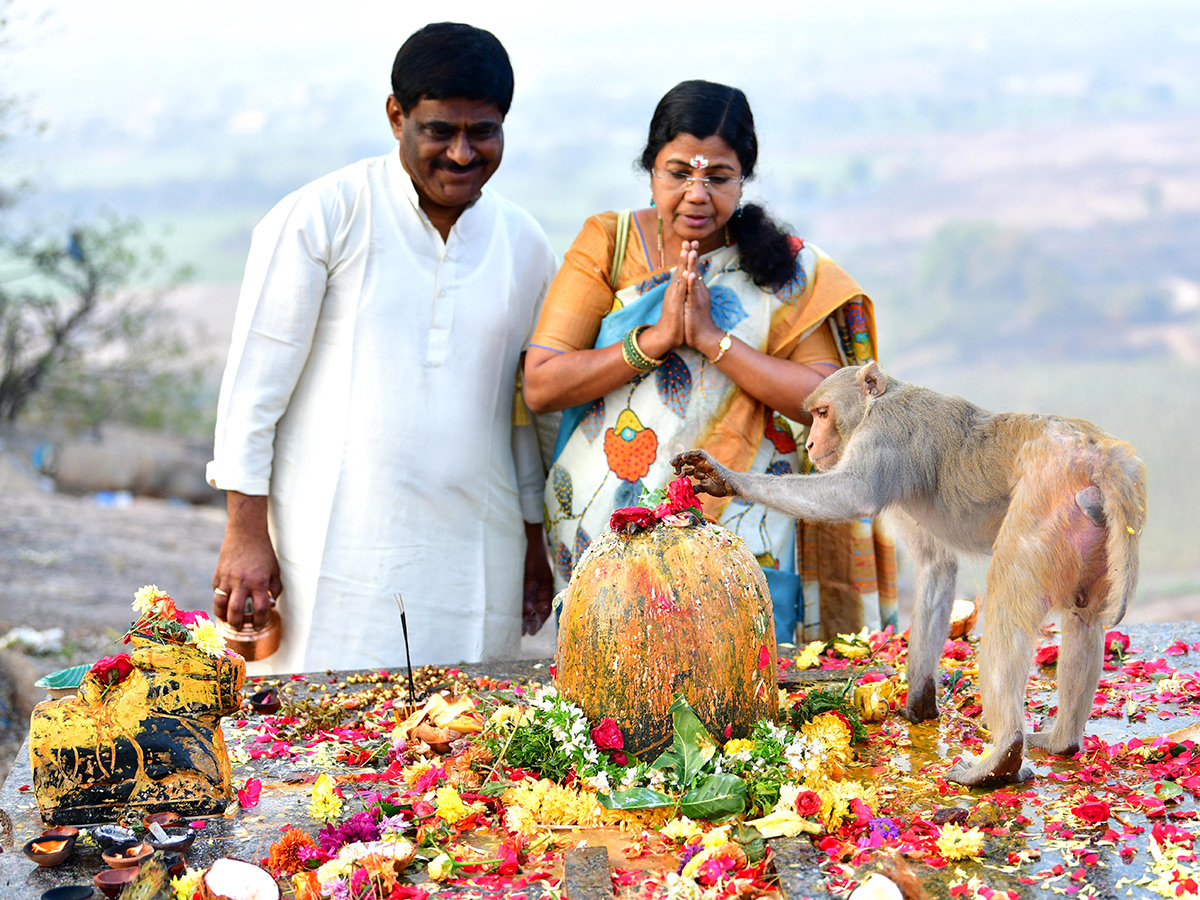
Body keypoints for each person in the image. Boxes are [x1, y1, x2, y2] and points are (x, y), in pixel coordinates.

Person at [207, 23, 556, 674]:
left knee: (463, 752)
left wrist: (537, 545)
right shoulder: (321, 217)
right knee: (317, 749)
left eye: (482, 131)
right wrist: (244, 533)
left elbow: (528, 416)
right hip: (331, 558)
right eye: (438, 130)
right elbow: (254, 389)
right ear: (396, 116)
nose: (460, 153)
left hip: (476, 557)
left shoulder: (526, 245)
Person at [523, 80, 895, 644]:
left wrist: (713, 339)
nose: (696, 195)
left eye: (717, 177)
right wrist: (655, 341)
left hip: (745, 523)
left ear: (743, 178)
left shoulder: (785, 268)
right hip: (609, 524)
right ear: (650, 170)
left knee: (738, 692)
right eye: (678, 173)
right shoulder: (609, 242)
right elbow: (542, 384)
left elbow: (832, 400)